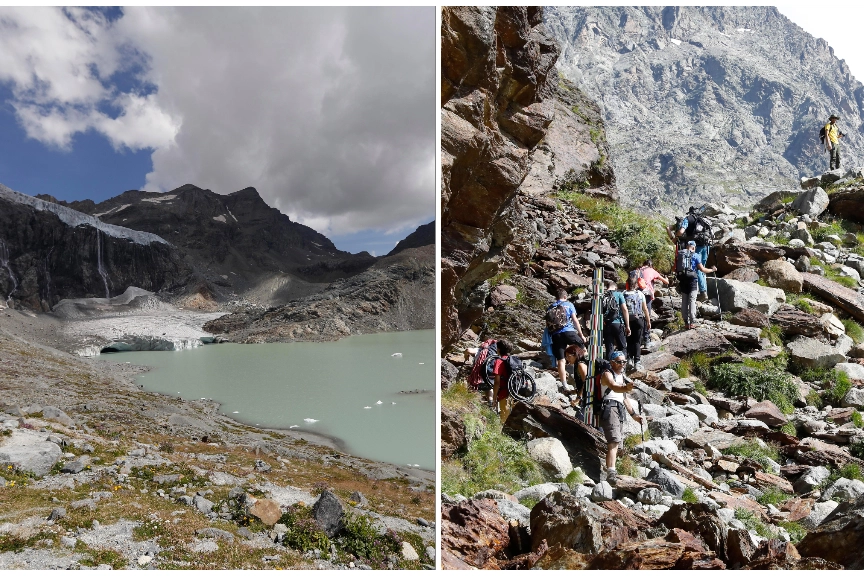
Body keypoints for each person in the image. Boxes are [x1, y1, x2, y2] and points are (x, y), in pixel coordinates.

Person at [599, 351, 644, 478]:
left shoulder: (621, 376)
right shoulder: (607, 374)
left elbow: (624, 398)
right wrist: (626, 387)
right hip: (609, 406)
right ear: (612, 362)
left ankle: (612, 470)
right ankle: (611, 472)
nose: (622, 364)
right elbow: (614, 387)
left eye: (624, 361)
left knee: (617, 441)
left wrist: (634, 415)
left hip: (618, 408)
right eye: (619, 361)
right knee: (613, 441)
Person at [668, 208, 711, 301]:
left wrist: (675, 238)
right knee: (703, 267)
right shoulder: (703, 220)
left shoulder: (688, 219)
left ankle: (703, 292)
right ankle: (704, 291)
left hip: (697, 246)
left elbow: (681, 231)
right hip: (706, 245)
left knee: (698, 268)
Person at [547, 289, 586, 388]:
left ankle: (564, 384)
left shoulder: (550, 307)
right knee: (583, 349)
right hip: (569, 332)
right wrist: (581, 334)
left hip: (556, 335)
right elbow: (575, 320)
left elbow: (548, 325)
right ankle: (586, 373)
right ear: (565, 296)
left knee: (561, 360)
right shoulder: (569, 305)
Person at [679, 240, 717, 330]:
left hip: (683, 280)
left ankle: (685, 322)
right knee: (692, 300)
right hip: (692, 280)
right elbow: (702, 270)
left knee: (684, 300)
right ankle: (692, 322)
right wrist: (712, 270)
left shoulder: (680, 254)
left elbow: (674, 268)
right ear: (693, 247)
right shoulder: (695, 255)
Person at [623, 272, 651, 372]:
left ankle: (629, 359)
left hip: (627, 321)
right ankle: (637, 362)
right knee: (637, 341)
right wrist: (648, 321)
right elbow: (645, 309)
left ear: (627, 284)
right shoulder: (640, 294)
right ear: (636, 285)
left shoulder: (623, 294)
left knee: (629, 340)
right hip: (638, 320)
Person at [602, 280, 629, 360]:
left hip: (606, 324)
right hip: (618, 323)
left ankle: (609, 369)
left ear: (607, 287)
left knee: (609, 348)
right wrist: (627, 326)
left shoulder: (602, 295)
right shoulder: (619, 294)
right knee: (622, 347)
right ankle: (622, 367)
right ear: (616, 287)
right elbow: (624, 309)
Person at [492, 339, 515, 424]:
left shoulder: (499, 361)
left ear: (499, 349)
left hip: (504, 393)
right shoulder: (513, 360)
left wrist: (494, 397)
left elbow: (497, 382)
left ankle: (502, 434)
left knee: (504, 419)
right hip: (514, 392)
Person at [564, 342, 588, 408]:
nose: (567, 359)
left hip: (589, 399)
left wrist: (578, 398)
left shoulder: (581, 365)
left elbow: (586, 383)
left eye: (569, 356)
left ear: (575, 354)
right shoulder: (576, 365)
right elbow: (581, 385)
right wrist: (572, 392)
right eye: (566, 357)